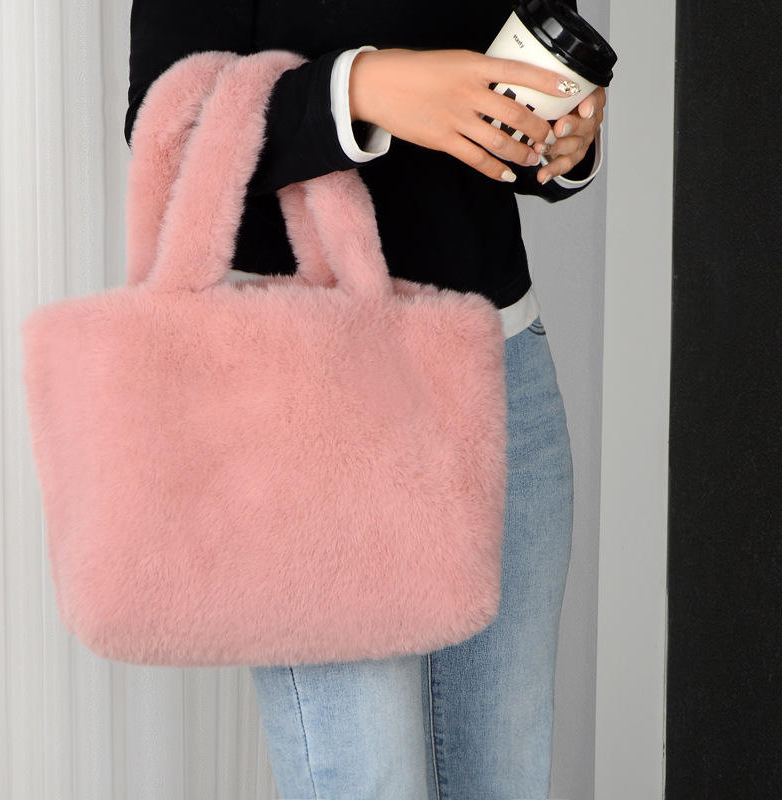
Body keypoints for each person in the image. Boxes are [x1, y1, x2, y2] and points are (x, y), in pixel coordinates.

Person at [125, 1, 606, 797]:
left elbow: (518, 82)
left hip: (500, 360)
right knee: (367, 777)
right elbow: (170, 127)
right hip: (314, 392)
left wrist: (564, 139)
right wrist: (364, 87)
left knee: (505, 776)